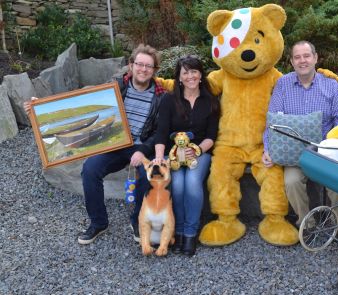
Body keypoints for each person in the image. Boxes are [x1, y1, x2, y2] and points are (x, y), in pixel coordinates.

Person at [25, 44, 167, 245]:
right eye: (139, 64)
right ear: (131, 65)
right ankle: (99, 222)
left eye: (148, 66)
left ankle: (137, 220)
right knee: (90, 169)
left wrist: (143, 149)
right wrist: (40, 106)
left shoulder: (162, 96)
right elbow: (81, 106)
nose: (143, 69)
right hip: (116, 143)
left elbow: (161, 130)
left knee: (148, 174)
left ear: (154, 70)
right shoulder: (116, 86)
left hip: (142, 146)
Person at [262, 40, 338, 237]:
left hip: (325, 153)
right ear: (292, 61)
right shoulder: (283, 84)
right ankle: (307, 223)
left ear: (315, 58)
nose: (302, 60)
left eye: (306, 56)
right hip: (295, 153)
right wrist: (267, 148)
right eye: (297, 57)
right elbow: (272, 120)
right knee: (291, 181)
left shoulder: (331, 86)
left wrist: (332, 145)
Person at [153, 55, 220, 256]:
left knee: (191, 182)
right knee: (178, 185)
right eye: (185, 73)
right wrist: (159, 158)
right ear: (179, 78)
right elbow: (161, 133)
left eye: (194, 71)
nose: (190, 76)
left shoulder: (210, 101)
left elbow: (211, 136)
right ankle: (179, 230)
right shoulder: (168, 99)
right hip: (173, 155)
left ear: (200, 75)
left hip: (200, 153)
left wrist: (197, 150)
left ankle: (191, 233)